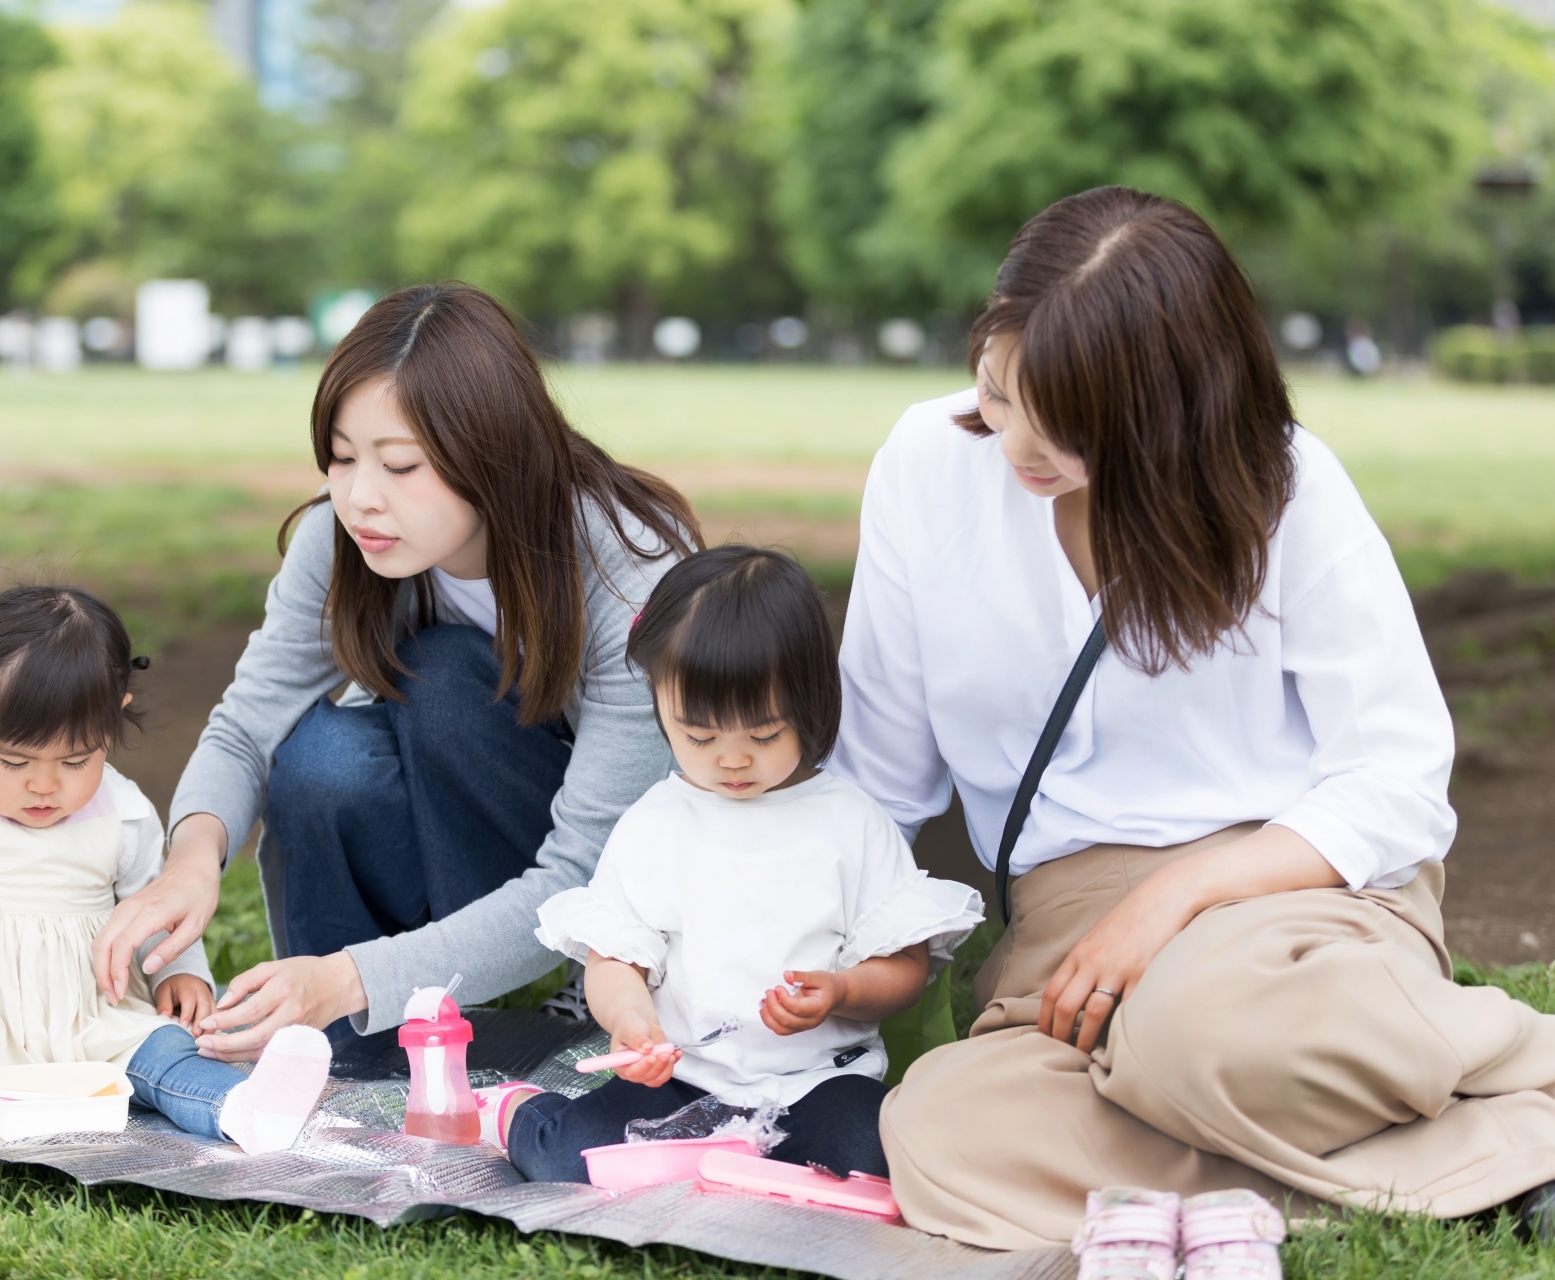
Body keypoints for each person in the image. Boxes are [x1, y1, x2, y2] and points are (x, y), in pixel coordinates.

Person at [832, 186, 1555, 1249]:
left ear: (1168, 409)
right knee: (939, 1128)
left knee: (1195, 1035)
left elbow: (1397, 780)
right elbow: (879, 779)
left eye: (1068, 424)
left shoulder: (1284, 487)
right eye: (997, 390)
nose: (1017, 442)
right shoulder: (924, 463)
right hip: (1066, 950)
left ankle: (1520, 1067)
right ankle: (1487, 1162)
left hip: (1291, 911)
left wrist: (1178, 894)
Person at [90, 283, 701, 1055]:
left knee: (445, 677)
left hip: (612, 873)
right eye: (342, 458)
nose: (359, 500)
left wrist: (350, 977)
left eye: (402, 465)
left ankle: (566, 988)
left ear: (496, 452)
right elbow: (248, 727)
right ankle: (348, 1045)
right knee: (323, 760)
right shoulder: (339, 535)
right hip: (462, 842)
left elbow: (584, 870)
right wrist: (190, 861)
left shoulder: (627, 571)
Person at [481, 546, 982, 1183]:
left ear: (810, 703)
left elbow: (904, 965)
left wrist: (843, 992)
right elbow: (615, 960)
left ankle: (736, 1166)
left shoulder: (852, 824)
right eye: (699, 736)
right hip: (681, 1079)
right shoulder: (656, 825)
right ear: (660, 704)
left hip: (818, 1083)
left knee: (876, 1159)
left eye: (764, 735)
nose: (732, 760)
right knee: (570, 1156)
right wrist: (631, 1019)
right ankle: (526, 1115)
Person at [0, 586, 314, 1174]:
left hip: (91, 1012)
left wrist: (178, 970)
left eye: (76, 761)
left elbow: (155, 906)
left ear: (114, 717)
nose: (44, 785)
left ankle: (246, 1107)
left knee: (168, 1054)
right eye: (14, 761)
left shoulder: (124, 812)